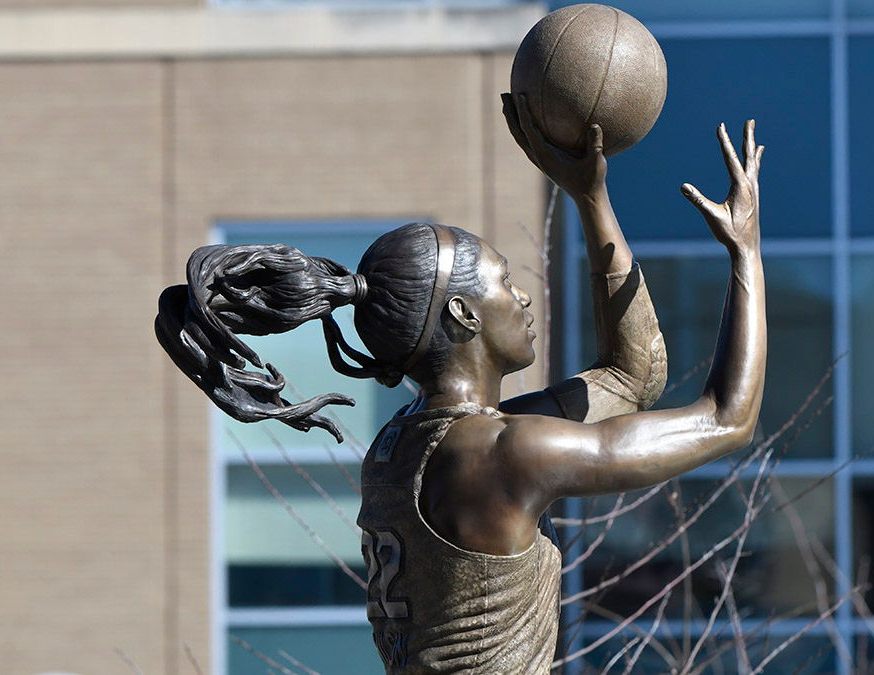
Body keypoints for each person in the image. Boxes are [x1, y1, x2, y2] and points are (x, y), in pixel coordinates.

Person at [155, 94, 766, 674]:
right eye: (504, 281)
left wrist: (590, 198)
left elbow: (633, 376)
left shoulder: (406, 448)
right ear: (463, 315)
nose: (522, 295)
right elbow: (728, 419)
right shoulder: (507, 455)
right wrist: (745, 253)